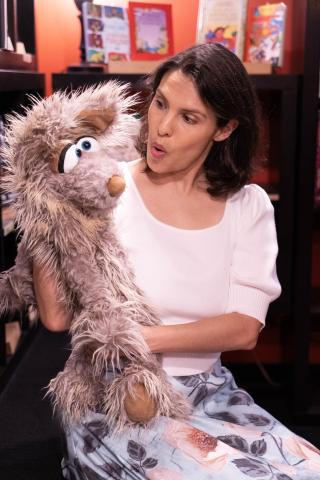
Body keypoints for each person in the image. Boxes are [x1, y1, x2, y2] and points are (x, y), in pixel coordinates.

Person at [34, 44, 320, 479]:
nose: (162, 129)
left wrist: (129, 337)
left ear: (223, 130)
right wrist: (49, 206)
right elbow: (55, 317)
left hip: (211, 393)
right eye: (161, 104)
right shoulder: (105, 187)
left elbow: (243, 328)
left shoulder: (248, 204)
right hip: (116, 398)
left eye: (189, 118)